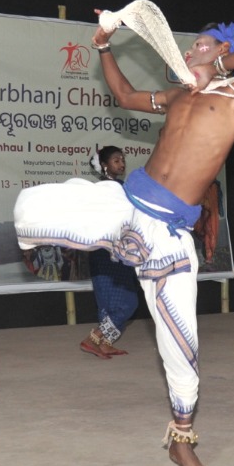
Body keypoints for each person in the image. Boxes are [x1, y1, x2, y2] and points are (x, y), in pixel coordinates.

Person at [14, 19, 234, 466]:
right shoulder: (176, 97)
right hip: (126, 207)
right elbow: (125, 96)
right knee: (28, 209)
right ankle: (58, 242)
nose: (190, 50)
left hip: (168, 238)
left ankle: (182, 440)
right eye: (191, 45)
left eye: (201, 45)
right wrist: (105, 47)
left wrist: (214, 63)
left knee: (182, 347)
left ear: (220, 54)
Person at [78, 145, 143, 358]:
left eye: (122, 159)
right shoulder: (108, 189)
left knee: (108, 303)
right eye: (116, 160)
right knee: (128, 302)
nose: (121, 163)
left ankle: (104, 343)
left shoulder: (120, 187)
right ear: (105, 165)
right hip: (109, 251)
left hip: (112, 250)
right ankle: (93, 338)